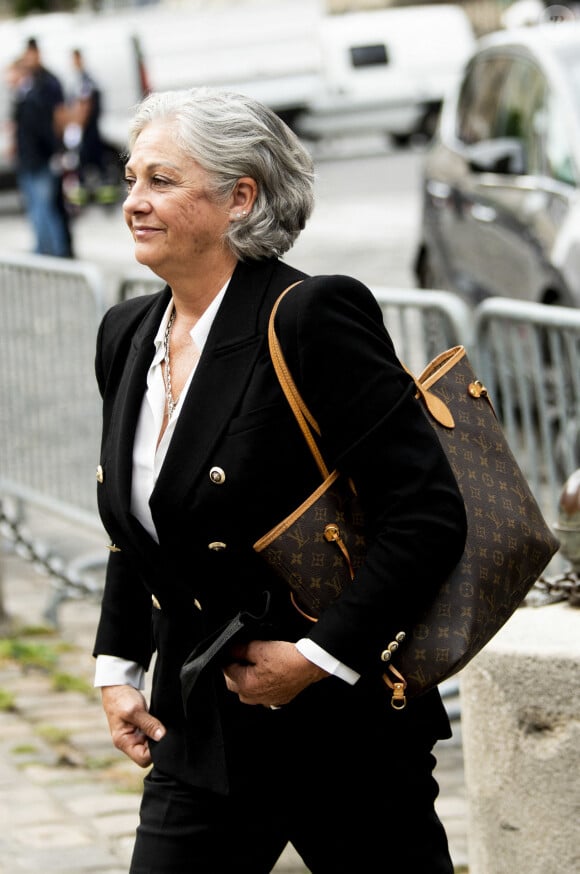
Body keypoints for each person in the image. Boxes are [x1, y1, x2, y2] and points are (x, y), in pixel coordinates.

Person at [93, 86, 467, 874]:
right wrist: (118, 669)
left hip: (344, 732)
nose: (134, 202)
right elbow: (142, 524)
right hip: (198, 732)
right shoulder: (126, 334)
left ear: (240, 196)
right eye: (131, 179)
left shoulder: (309, 317)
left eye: (161, 181)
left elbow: (427, 515)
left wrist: (318, 659)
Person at [11, 38, 73, 258]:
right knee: (41, 208)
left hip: (40, 160)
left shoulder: (44, 86)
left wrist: (57, 151)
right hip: (32, 160)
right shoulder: (28, 93)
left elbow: (53, 122)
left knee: (46, 208)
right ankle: (50, 249)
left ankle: (56, 251)